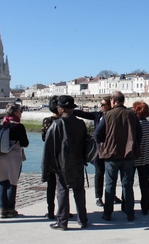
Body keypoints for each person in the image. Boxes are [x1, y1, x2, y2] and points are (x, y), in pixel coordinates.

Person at [42, 95, 88, 230]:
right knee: (79, 191)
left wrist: (47, 168)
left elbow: (49, 149)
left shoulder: (56, 125)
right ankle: (83, 220)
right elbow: (86, 144)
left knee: (62, 191)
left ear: (61, 109)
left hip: (61, 164)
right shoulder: (81, 123)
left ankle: (62, 221)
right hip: (78, 162)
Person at [94, 91, 141, 222]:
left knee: (110, 185)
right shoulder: (132, 114)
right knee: (127, 185)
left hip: (111, 155)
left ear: (113, 102)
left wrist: (106, 142)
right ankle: (130, 213)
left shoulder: (107, 115)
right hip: (128, 154)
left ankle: (107, 213)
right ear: (123, 101)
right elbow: (139, 134)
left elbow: (97, 135)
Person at [73, 96, 121, 207]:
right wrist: (70, 110)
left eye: (103, 104)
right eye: (101, 104)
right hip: (99, 150)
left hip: (111, 149)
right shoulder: (98, 115)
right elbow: (83, 114)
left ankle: (111, 195)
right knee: (99, 173)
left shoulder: (114, 116)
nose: (101, 106)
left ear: (110, 105)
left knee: (111, 174)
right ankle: (98, 197)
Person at [0, 103, 29, 218]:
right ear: (15, 113)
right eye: (20, 111)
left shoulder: (1, 124)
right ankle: (11, 209)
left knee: (2, 181)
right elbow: (25, 143)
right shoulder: (18, 126)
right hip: (14, 156)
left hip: (0, 155)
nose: (21, 113)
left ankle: (2, 209)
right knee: (12, 182)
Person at [40, 95, 71, 220]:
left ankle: (50, 211)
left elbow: (44, 138)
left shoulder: (47, 121)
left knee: (51, 186)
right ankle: (64, 210)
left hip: (51, 158)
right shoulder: (66, 121)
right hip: (64, 158)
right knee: (63, 187)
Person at [132, 101, 149, 215]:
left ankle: (127, 205)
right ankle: (145, 207)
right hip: (147, 157)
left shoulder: (134, 125)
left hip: (134, 157)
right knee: (144, 183)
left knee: (128, 182)